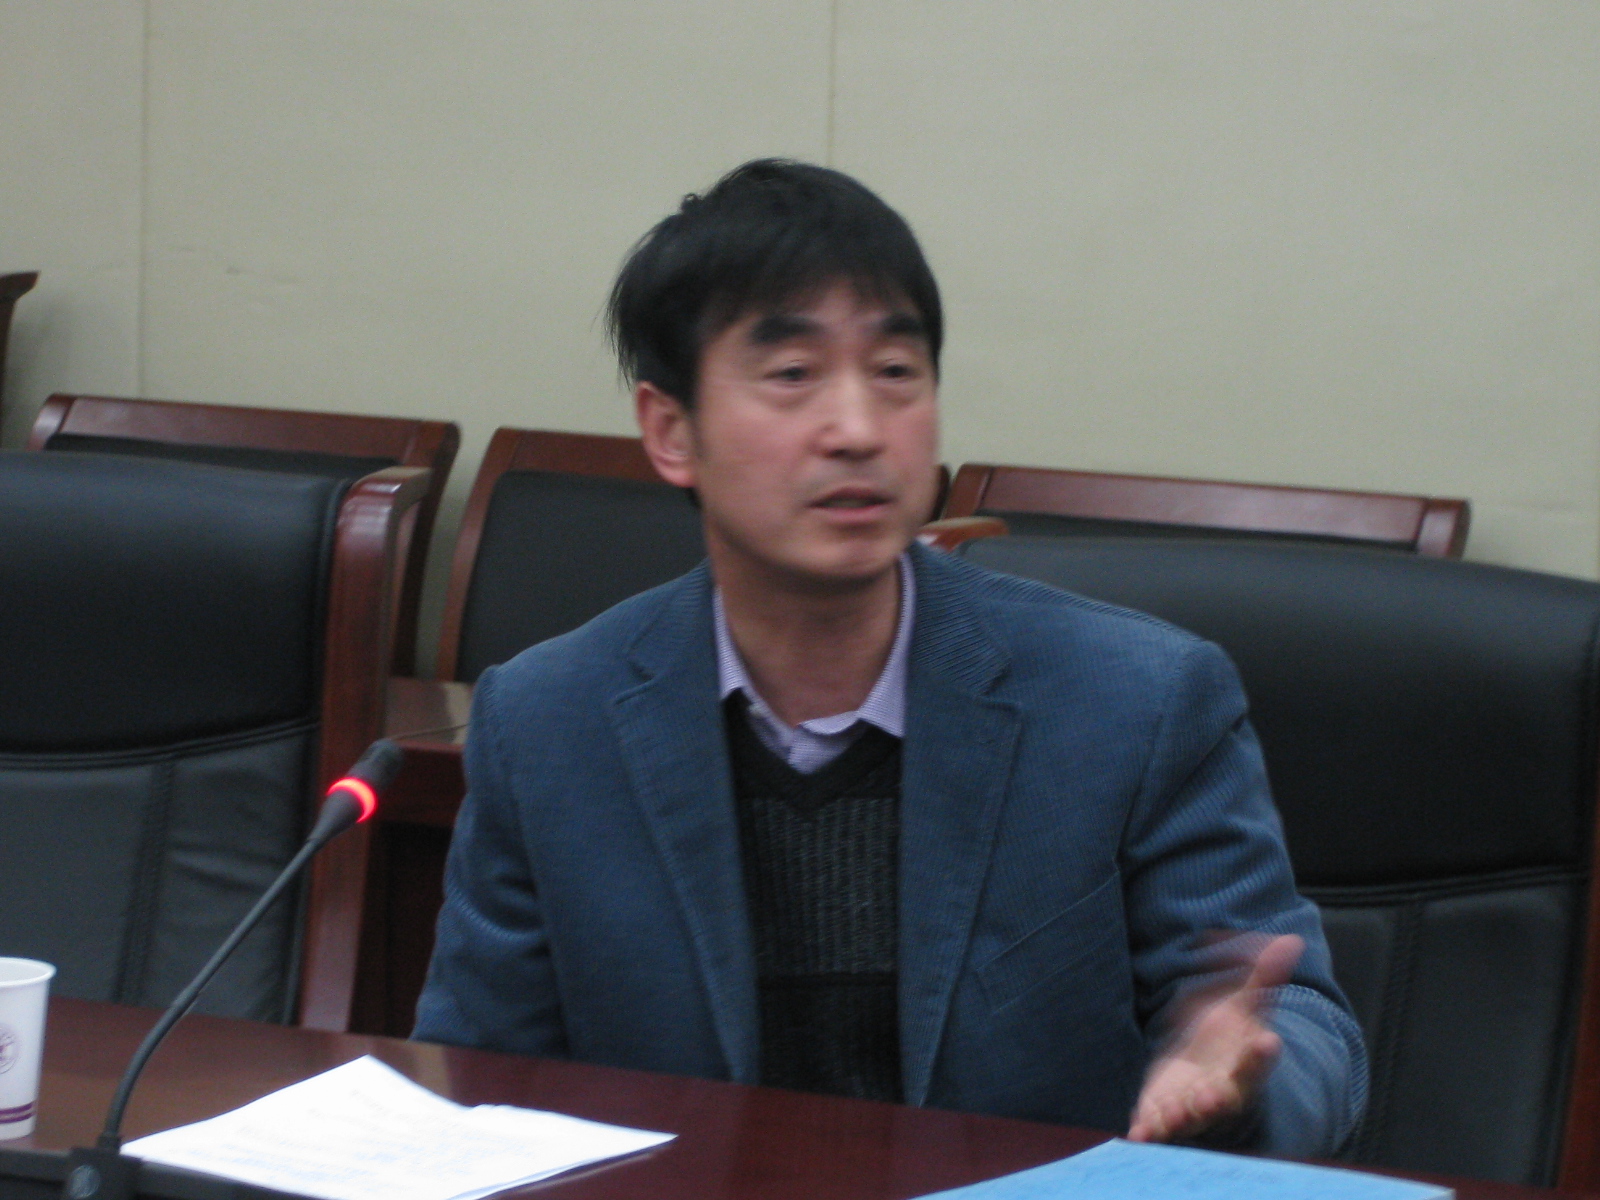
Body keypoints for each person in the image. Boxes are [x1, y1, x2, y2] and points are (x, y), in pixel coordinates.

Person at [414, 159, 1366, 1154]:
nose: (860, 430)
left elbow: (1308, 1025)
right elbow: (481, 1080)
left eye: (896, 372)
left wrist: (1238, 1085)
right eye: (792, 375)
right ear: (670, 431)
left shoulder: (1137, 700)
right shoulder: (550, 721)